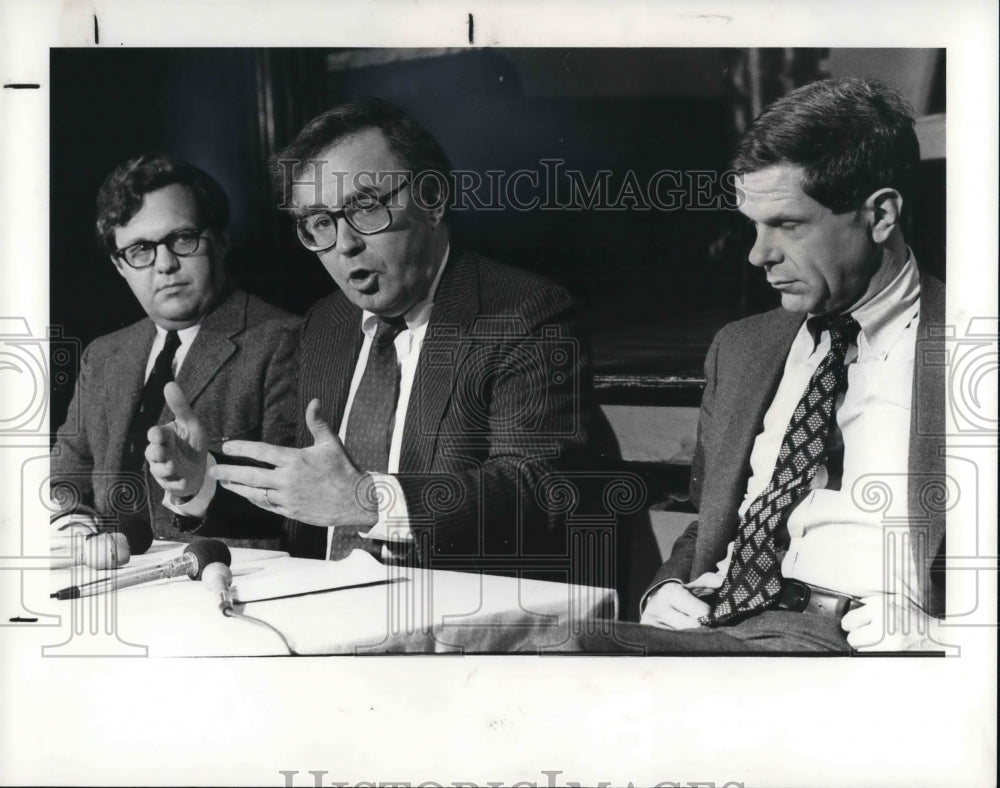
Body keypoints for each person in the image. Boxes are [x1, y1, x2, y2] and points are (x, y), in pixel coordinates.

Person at [574, 77, 945, 653]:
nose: (757, 255)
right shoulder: (743, 347)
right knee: (531, 649)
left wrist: (956, 633)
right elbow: (718, 516)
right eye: (753, 225)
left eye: (788, 225)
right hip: (717, 623)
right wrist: (667, 586)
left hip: (855, 642)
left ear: (880, 216)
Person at [151, 99, 590, 573]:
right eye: (319, 223)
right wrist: (204, 485)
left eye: (364, 206)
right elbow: (309, 501)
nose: (344, 244)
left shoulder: (522, 311)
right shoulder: (328, 324)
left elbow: (538, 488)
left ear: (433, 200)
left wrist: (370, 501)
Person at [50, 153, 299, 547]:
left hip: (220, 581)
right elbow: (66, 473)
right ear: (120, 266)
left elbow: (292, 512)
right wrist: (78, 533)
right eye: (139, 251)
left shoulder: (282, 340)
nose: (164, 264)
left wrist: (198, 487)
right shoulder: (104, 354)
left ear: (219, 239)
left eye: (182, 239)